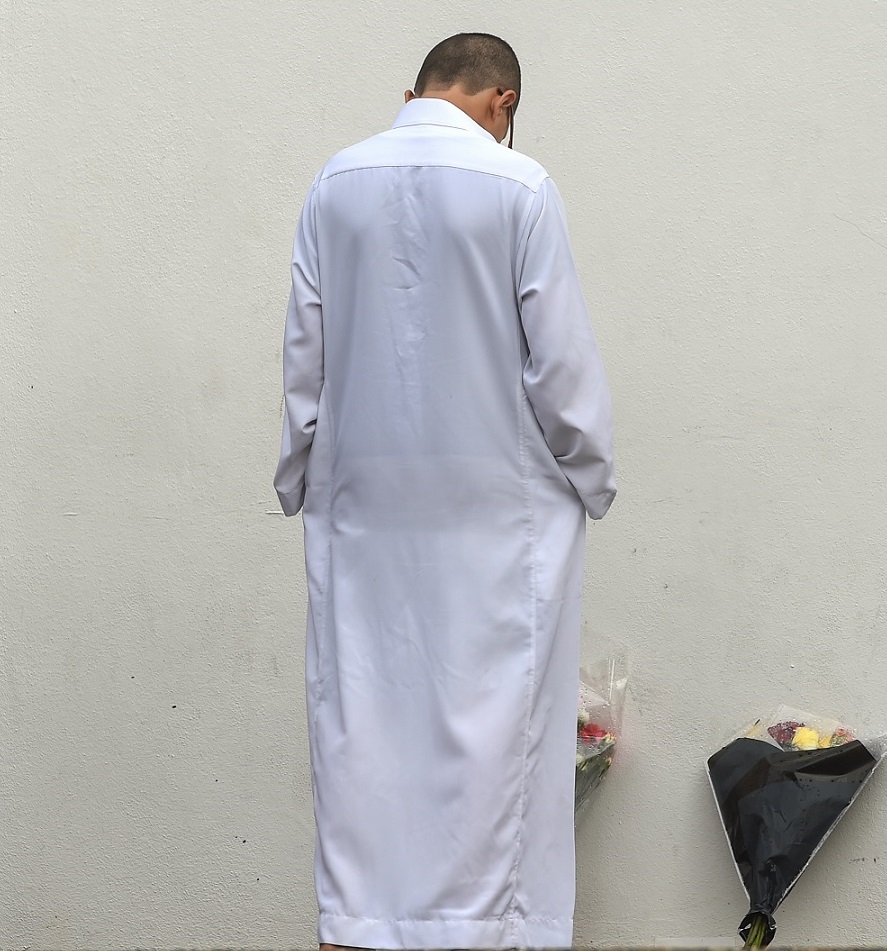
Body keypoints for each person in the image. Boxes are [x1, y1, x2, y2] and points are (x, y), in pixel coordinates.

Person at [273, 33, 616, 951]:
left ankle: (356, 925)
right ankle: (492, 933)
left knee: (361, 724)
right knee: (496, 732)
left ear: (420, 89)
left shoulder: (334, 183)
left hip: (365, 516)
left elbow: (304, 356)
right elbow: (562, 369)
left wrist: (300, 473)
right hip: (499, 518)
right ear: (501, 101)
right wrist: (590, 475)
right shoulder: (521, 187)